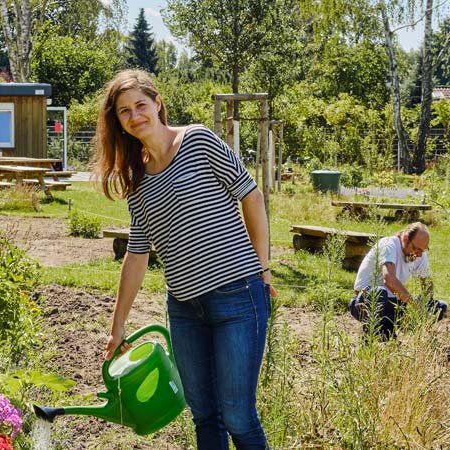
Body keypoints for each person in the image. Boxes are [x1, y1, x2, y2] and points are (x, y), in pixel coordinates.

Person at [95, 69, 274, 449]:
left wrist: (263, 270)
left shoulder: (197, 141)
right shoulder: (137, 178)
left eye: (140, 105)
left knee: (238, 415)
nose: (134, 116)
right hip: (184, 309)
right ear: (119, 122)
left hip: (237, 298)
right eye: (124, 112)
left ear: (158, 104)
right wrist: (118, 325)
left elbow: (252, 197)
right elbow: (137, 254)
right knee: (204, 415)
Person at [348, 222, 447, 340]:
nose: (419, 254)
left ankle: (407, 334)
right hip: (365, 302)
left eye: (423, 250)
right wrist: (415, 305)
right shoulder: (389, 245)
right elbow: (389, 279)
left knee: (440, 307)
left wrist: (425, 302)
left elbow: (427, 284)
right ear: (405, 238)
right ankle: (371, 337)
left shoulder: (418, 254)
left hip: (393, 305)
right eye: (416, 249)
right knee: (379, 293)